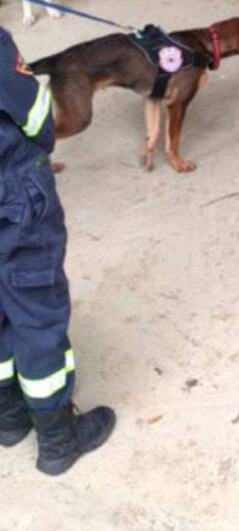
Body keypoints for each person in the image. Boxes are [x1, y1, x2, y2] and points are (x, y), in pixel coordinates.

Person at [0, 28, 115, 475]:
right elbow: (35, 114)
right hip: (11, 196)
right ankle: (58, 439)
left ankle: (9, 418)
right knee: (36, 311)